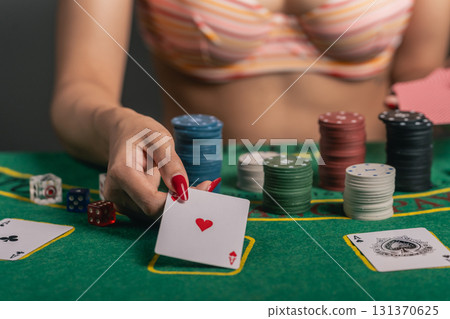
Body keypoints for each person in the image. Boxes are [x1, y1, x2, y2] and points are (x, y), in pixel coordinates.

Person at [51, 0, 450, 220]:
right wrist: (121, 124)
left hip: (359, 191)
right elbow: (77, 93)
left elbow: (420, 63)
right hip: (210, 186)